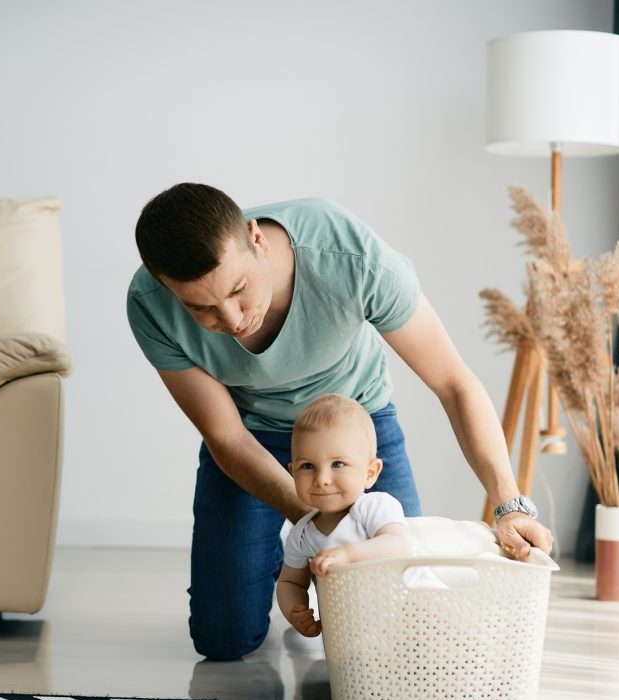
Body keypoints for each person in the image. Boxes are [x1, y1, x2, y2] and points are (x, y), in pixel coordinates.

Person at [127, 183, 553, 660]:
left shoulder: (347, 253)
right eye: (200, 308)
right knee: (223, 640)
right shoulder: (148, 303)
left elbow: (454, 382)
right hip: (251, 439)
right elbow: (225, 435)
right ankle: (262, 553)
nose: (230, 318)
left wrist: (507, 503)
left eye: (239, 289)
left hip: (354, 427)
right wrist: (316, 528)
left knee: (402, 608)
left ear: (256, 239)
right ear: (165, 287)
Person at [277, 394, 446, 638]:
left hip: (421, 609)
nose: (322, 479)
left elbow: (399, 544)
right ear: (292, 473)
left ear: (370, 472)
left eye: (337, 464)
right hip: (368, 628)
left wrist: (347, 554)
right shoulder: (302, 534)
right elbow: (290, 582)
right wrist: (294, 610)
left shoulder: (374, 506)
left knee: (449, 651)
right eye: (308, 466)